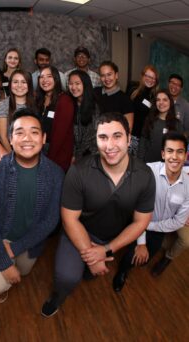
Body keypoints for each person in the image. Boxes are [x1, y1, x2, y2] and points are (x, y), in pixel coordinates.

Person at [41, 112, 156, 317]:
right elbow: (70, 219)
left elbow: (141, 222)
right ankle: (57, 297)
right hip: (77, 231)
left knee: (89, 274)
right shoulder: (78, 171)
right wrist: (93, 257)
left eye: (117, 136)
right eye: (103, 137)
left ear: (129, 139)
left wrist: (106, 250)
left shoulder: (145, 175)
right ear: (96, 140)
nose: (110, 145)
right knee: (67, 277)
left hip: (111, 238)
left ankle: (87, 267)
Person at [0, 108, 64, 303]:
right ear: (10, 138)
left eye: (34, 132)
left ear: (43, 138)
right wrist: (3, 259)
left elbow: (51, 220)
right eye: (19, 132)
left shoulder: (56, 174)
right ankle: (2, 276)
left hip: (29, 240)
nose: (27, 138)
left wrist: (15, 249)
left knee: (24, 271)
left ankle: (15, 262)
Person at [113, 132, 189, 291]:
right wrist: (141, 241)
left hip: (157, 227)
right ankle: (121, 272)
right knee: (131, 254)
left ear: (185, 156)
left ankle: (127, 264)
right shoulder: (148, 172)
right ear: (163, 153)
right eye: (170, 151)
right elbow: (135, 206)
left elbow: (178, 222)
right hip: (136, 221)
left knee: (144, 259)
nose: (174, 156)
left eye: (179, 152)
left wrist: (149, 226)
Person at [36, 65, 74, 171]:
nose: (45, 80)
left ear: (56, 79)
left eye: (49, 76)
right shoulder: (39, 99)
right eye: (42, 77)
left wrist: (49, 160)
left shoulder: (64, 100)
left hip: (56, 154)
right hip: (39, 150)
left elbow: (59, 136)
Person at [138, 89, 182, 163]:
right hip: (148, 165)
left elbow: (179, 148)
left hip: (168, 166)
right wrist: (140, 162)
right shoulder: (149, 120)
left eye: (165, 100)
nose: (161, 102)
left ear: (170, 102)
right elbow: (143, 143)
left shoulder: (177, 124)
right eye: (158, 100)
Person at [0, 69, 35, 152]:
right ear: (10, 85)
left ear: (29, 85)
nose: (19, 85)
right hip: (12, 151)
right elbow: (2, 136)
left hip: (32, 149)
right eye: (15, 82)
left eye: (23, 82)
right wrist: (13, 156)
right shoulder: (3, 105)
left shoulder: (36, 104)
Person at [67, 69, 99, 161]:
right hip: (74, 153)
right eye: (70, 84)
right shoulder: (70, 104)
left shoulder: (94, 106)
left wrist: (76, 156)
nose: (73, 87)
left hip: (90, 155)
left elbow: (90, 137)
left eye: (77, 83)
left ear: (85, 84)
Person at [94, 61, 134, 131]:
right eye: (103, 75)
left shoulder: (125, 99)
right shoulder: (95, 92)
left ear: (116, 75)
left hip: (113, 139)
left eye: (109, 74)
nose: (106, 79)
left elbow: (128, 128)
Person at [129, 65, 159, 155]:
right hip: (130, 135)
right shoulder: (132, 89)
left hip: (143, 138)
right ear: (143, 76)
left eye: (153, 78)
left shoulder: (155, 97)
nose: (150, 80)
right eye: (148, 76)